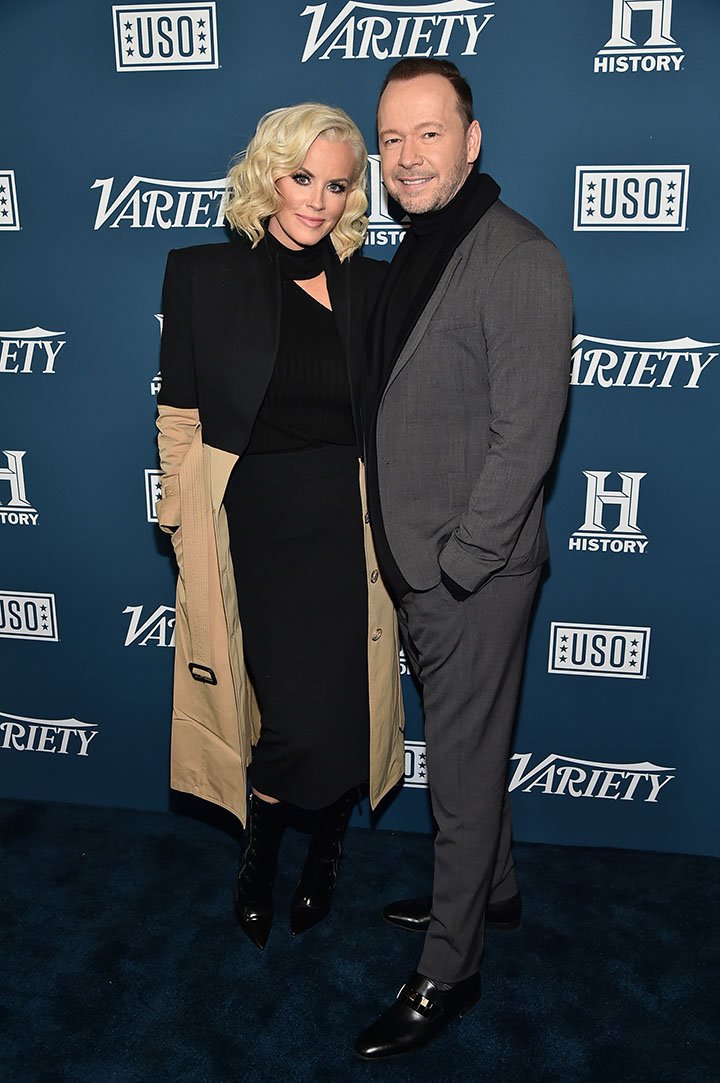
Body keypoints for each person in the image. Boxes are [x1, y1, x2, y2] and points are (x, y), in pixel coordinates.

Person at [354, 59, 573, 1059]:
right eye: (392, 138)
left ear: (471, 140)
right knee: (468, 749)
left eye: (428, 134)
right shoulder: (418, 246)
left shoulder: (515, 257)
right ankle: (499, 893)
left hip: (469, 574)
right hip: (419, 563)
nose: (408, 155)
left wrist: (455, 568)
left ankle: (452, 970)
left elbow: (526, 439)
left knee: (463, 772)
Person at [154, 103, 405, 952]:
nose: (319, 200)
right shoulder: (200, 275)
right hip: (254, 521)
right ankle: (263, 850)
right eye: (304, 177)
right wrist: (181, 527)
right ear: (268, 174)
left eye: (338, 185)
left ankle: (323, 845)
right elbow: (180, 416)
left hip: (351, 525)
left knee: (338, 707)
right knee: (290, 711)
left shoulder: (371, 287)